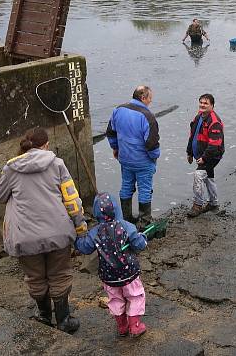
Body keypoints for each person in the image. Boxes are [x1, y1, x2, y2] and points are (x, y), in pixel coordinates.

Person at [0, 127, 88, 333]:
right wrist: (80, 228)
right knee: (60, 274)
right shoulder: (57, 164)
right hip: (58, 232)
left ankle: (43, 316)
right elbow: (72, 200)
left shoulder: (11, 168)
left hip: (25, 237)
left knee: (35, 277)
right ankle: (64, 320)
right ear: (46, 145)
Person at [75, 193, 148, 337]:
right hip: (129, 273)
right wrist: (143, 238)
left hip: (109, 276)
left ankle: (122, 326)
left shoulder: (95, 232)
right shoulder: (126, 226)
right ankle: (135, 325)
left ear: (97, 214)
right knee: (135, 296)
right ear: (117, 210)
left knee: (115, 299)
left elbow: (85, 247)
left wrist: (76, 240)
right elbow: (139, 245)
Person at [106, 85, 161, 229]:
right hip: (143, 161)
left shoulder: (118, 110)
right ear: (143, 98)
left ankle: (127, 219)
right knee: (145, 189)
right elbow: (152, 144)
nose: (150, 101)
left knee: (126, 186)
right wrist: (154, 157)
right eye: (150, 98)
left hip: (124, 159)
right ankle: (144, 221)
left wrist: (115, 148)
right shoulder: (148, 116)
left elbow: (111, 132)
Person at [186, 93, 225, 217]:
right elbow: (192, 136)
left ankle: (197, 205)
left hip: (212, 155)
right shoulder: (198, 117)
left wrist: (204, 158)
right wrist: (189, 152)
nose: (202, 105)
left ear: (212, 106)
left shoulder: (215, 122)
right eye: (201, 102)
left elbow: (215, 145)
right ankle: (213, 203)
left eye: (205, 103)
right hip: (200, 154)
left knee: (198, 175)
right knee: (208, 177)